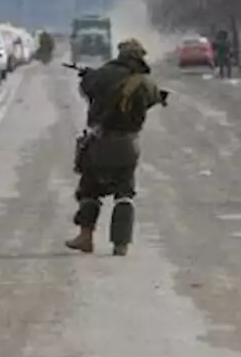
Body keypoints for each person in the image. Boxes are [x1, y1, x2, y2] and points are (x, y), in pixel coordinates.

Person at [65, 38, 166, 257]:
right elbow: (154, 98)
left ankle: (85, 237)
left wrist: (88, 78)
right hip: (129, 143)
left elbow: (86, 90)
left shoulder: (103, 73)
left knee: (89, 189)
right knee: (124, 192)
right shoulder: (143, 81)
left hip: (100, 140)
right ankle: (121, 244)